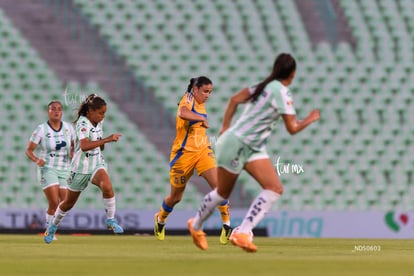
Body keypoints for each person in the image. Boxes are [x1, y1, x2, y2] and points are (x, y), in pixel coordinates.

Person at [187, 53, 320, 252]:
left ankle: (242, 232)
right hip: (239, 143)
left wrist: (225, 127)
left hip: (252, 147)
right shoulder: (282, 92)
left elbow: (233, 100)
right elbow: (292, 128)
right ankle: (196, 225)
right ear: (292, 73)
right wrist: (310, 118)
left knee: (273, 188)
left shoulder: (262, 86)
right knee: (223, 192)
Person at [154, 76, 232, 244]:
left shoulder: (200, 102)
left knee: (220, 188)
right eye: (205, 91)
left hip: (203, 150)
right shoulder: (188, 98)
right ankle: (160, 219)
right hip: (183, 155)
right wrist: (201, 118)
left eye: (210, 92)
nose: (207, 95)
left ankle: (227, 225)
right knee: (175, 198)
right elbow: (182, 113)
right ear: (195, 89)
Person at [44, 94, 124, 244]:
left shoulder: (98, 121)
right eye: (101, 113)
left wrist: (102, 143)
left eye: (104, 113)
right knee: (68, 203)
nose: (103, 116)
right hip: (80, 169)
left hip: (96, 164)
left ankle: (111, 220)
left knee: (107, 186)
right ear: (90, 112)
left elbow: (100, 144)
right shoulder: (82, 123)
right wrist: (107, 139)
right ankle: (52, 226)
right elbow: (85, 145)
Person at [25, 100, 75, 240]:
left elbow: (73, 145)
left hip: (65, 168)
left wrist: (72, 154)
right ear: (48, 111)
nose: (57, 111)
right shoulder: (41, 129)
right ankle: (49, 230)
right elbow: (29, 150)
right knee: (53, 202)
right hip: (48, 168)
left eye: (59, 109)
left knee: (64, 203)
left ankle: (52, 226)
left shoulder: (68, 128)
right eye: (53, 109)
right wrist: (36, 160)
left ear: (62, 112)